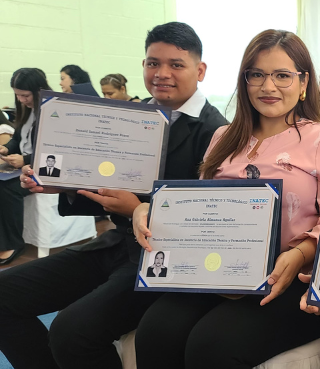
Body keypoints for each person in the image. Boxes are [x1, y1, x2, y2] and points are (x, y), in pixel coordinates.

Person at [5, 22, 227, 369]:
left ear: (200, 70)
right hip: (115, 243)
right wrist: (60, 182)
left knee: (71, 331)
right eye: (153, 63)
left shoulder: (217, 132)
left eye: (176, 65)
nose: (162, 73)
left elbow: (208, 220)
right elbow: (102, 176)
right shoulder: (131, 117)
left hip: (161, 258)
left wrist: (139, 208)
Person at [131, 29, 320, 369]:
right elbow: (199, 206)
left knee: (212, 346)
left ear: (303, 81)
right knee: (155, 331)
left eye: (282, 75)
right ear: (244, 80)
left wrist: (299, 254)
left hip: (292, 277)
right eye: (257, 75)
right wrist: (150, 210)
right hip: (217, 270)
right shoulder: (224, 137)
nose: (268, 87)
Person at [0, 68, 50, 266]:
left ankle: (13, 242)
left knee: (7, 189)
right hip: (24, 165)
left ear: (39, 91)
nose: (21, 100)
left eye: (25, 95)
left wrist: (27, 159)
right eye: (17, 95)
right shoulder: (26, 111)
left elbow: (53, 150)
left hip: (40, 168)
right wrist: (6, 149)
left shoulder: (51, 113)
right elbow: (18, 140)